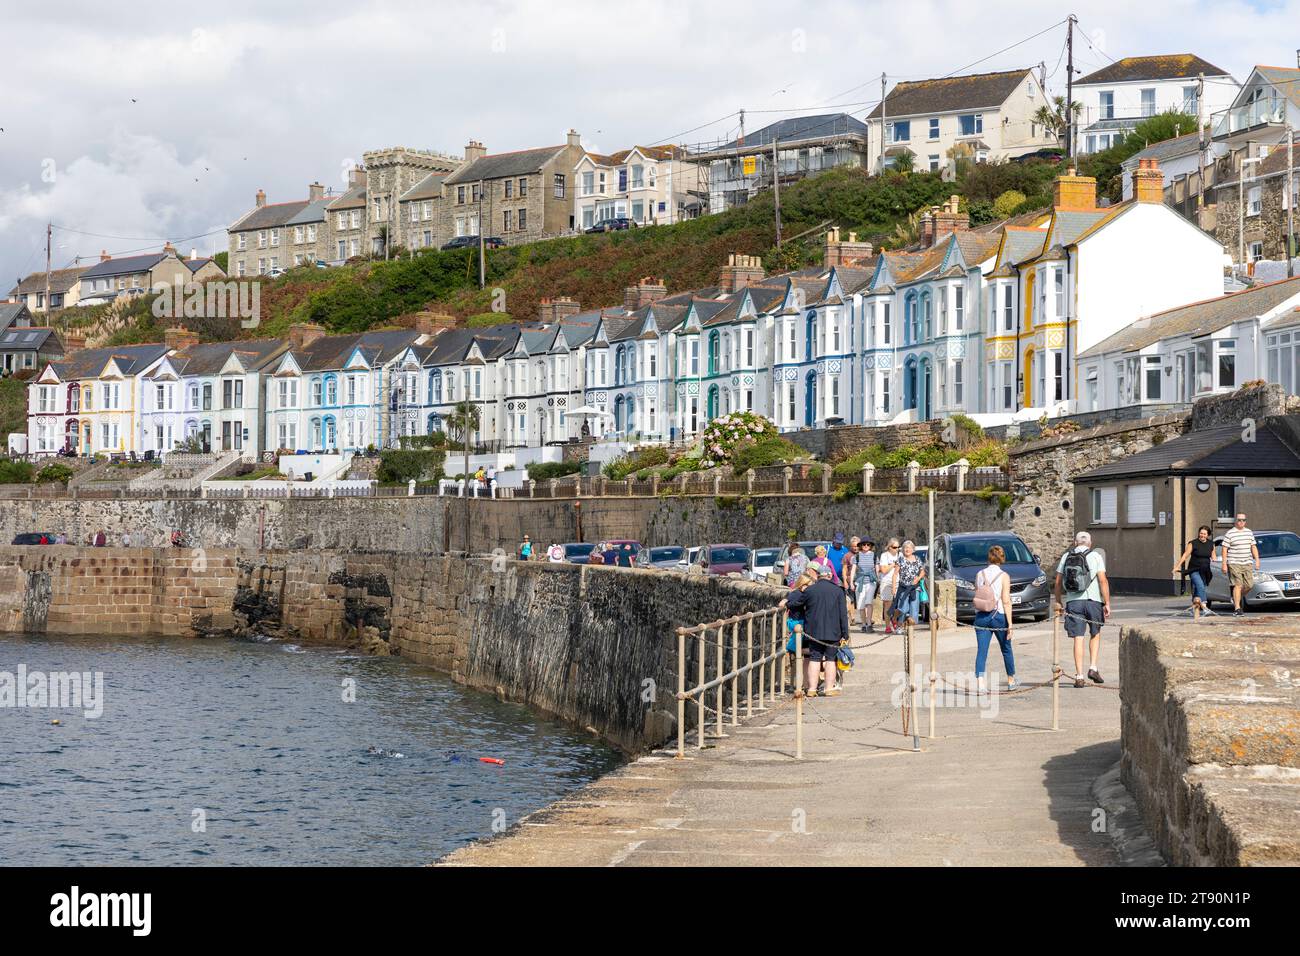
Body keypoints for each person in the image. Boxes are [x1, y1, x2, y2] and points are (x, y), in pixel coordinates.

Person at [1054, 531, 1111, 687]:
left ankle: (1079, 676)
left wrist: (1058, 601)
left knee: (1078, 638)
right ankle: (1093, 667)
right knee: (1095, 633)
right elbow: (1103, 581)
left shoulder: (1066, 557)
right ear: (1090, 543)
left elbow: (1058, 582)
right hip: (1093, 602)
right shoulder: (1096, 556)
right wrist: (1107, 603)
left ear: (1075, 542)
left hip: (1074, 602)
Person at [785, 565, 850, 698]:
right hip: (833, 632)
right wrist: (845, 633)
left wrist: (787, 602)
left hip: (813, 632)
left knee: (814, 659)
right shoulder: (838, 591)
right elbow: (843, 614)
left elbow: (796, 603)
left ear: (818, 575)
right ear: (830, 575)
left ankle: (812, 689)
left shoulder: (810, 590)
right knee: (831, 660)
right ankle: (828, 689)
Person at [973, 545, 1017, 692]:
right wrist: (1010, 623)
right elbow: (1006, 600)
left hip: (982, 615)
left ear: (989, 557)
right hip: (998, 615)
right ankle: (1011, 680)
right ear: (1002, 558)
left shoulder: (979, 574)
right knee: (1006, 648)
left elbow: (978, 593)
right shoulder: (1004, 576)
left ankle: (980, 683)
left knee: (982, 651)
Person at [1221, 513, 1260, 617]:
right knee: (1238, 585)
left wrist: (1257, 560)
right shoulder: (1230, 533)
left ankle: (1235, 597)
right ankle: (1237, 608)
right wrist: (1224, 564)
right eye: (1239, 520)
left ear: (1245, 521)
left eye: (1243, 520)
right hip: (1234, 563)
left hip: (1247, 562)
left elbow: (1253, 547)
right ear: (1235, 521)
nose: (1241, 522)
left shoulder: (1249, 532)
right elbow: (1224, 549)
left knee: (1249, 585)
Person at [1173, 525, 1216, 613]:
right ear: (1198, 533)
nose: (1202, 535)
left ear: (1208, 535)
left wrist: (1220, 561)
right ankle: (1204, 606)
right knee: (1200, 586)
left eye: (1204, 534)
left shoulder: (1211, 544)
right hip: (1194, 569)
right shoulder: (1193, 543)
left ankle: (1194, 608)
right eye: (1201, 533)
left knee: (1199, 588)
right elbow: (1185, 555)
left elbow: (1213, 556)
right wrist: (1177, 566)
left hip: (1205, 570)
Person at [889, 540, 926, 631]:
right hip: (903, 588)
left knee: (914, 609)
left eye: (909, 548)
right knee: (903, 609)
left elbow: (922, 571)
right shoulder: (900, 560)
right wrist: (893, 588)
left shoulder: (917, 559)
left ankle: (910, 629)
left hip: (915, 588)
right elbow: (895, 574)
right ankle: (898, 624)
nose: (907, 549)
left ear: (913, 549)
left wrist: (918, 578)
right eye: (905, 547)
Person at [854, 540, 879, 632]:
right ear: (860, 545)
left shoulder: (874, 556)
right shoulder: (856, 556)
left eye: (868, 544)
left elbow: (877, 569)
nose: (866, 546)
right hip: (860, 582)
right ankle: (863, 624)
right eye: (864, 544)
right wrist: (851, 583)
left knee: (869, 602)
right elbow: (853, 569)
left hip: (871, 582)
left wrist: (878, 581)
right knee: (860, 604)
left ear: (870, 546)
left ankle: (869, 624)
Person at [877, 538, 900, 633]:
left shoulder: (900, 555)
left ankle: (894, 619)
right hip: (886, 582)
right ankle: (887, 626)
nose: (897, 549)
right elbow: (883, 570)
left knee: (899, 605)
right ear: (889, 547)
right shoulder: (884, 556)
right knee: (888, 605)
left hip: (898, 582)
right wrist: (893, 564)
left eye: (898, 547)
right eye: (895, 547)